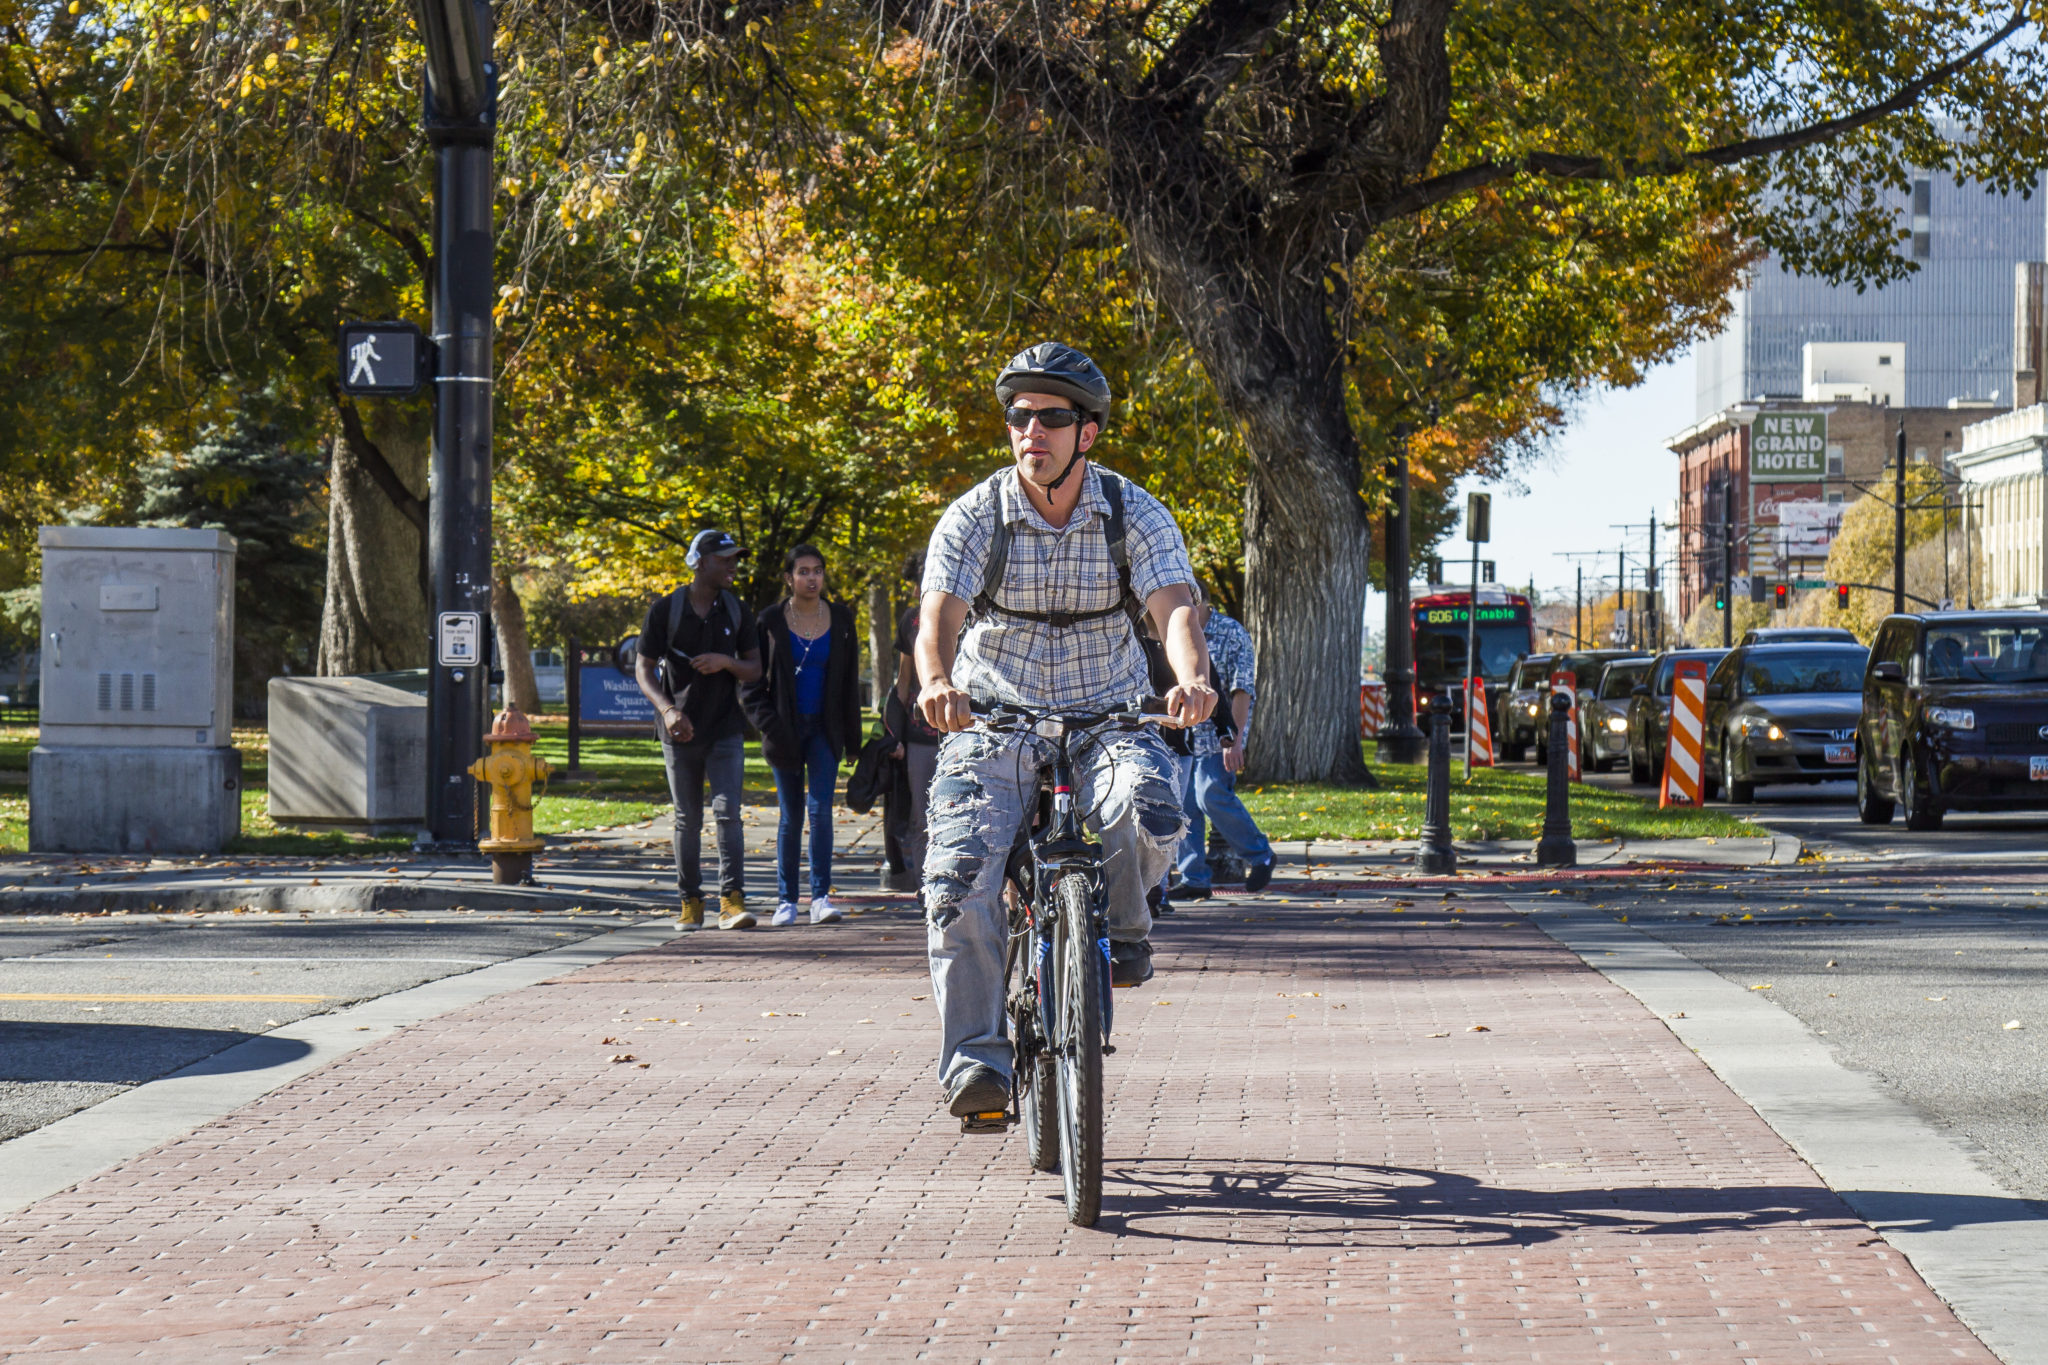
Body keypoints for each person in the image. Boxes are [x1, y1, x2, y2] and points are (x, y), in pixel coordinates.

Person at [915, 341, 1216, 1119]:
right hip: (996, 718)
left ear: (1088, 432)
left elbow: (1173, 606)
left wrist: (1190, 678)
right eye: (1019, 416)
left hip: (1108, 712)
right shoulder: (976, 515)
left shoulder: (1132, 511)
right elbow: (935, 622)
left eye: (1051, 416)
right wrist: (939, 683)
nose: (1031, 430)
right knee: (959, 874)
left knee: (1149, 810)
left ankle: (1120, 923)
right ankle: (976, 1064)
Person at [634, 529, 762, 931]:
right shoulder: (665, 611)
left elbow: (755, 668)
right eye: (725, 559)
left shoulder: (737, 610)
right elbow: (643, 668)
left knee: (728, 815)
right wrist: (668, 710)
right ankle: (690, 902)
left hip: (725, 728)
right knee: (687, 819)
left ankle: (732, 901)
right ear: (700, 563)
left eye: (734, 559)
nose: (733, 567)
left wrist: (725, 662)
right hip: (680, 730)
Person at [742, 544, 863, 926]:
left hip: (825, 731)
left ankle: (821, 897)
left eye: (818, 571)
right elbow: (751, 683)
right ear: (788, 578)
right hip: (784, 732)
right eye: (803, 571)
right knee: (790, 815)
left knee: (820, 810)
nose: (812, 578)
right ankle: (786, 901)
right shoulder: (769, 621)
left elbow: (848, 682)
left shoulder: (841, 619)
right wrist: (770, 726)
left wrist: (853, 739)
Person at [1168, 584, 1275, 899]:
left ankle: (1261, 855)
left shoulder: (1232, 633)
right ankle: (1194, 879)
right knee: (1185, 804)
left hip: (1221, 734)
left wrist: (1235, 739)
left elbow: (1243, 689)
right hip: (1185, 734)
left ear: (1202, 601)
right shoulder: (1176, 633)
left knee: (1211, 794)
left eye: (1189, 605)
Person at [885, 549, 941, 885]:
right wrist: (895, 735)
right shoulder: (911, 621)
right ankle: (926, 891)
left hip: (967, 731)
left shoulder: (973, 611)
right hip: (921, 736)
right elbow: (904, 682)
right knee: (922, 819)